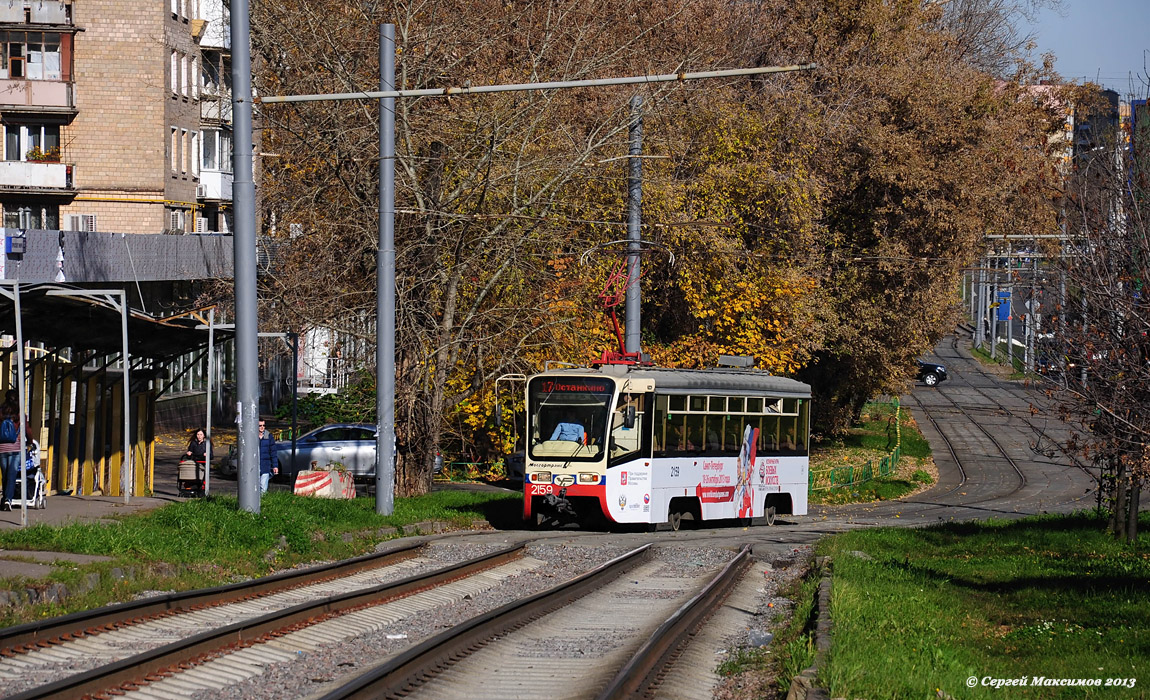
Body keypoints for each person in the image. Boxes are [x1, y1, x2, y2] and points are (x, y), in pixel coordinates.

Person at [0, 390, 27, 511]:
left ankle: (4, 498)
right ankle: (7, 500)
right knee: (12, 475)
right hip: (16, 448)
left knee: (5, 474)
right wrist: (30, 442)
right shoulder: (19, 413)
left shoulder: (1, 412)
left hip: (2, 448)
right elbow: (28, 429)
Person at [258, 420, 278, 493]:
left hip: (265, 466)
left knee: (263, 488)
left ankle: (263, 503)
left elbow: (273, 452)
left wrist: (275, 466)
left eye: (263, 425)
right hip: (254, 466)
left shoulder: (269, 436)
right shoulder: (252, 437)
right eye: (260, 426)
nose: (262, 427)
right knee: (254, 489)